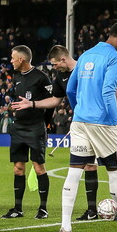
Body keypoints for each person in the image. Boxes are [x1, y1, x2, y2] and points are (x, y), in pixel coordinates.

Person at [57, 22, 117, 232]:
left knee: (74, 172)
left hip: (80, 121)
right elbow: (108, 91)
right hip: (102, 123)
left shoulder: (85, 56)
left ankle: (65, 228)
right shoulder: (116, 58)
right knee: (115, 172)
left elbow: (71, 89)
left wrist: (80, 109)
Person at [18, 45, 101, 221]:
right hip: (80, 124)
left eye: (55, 64)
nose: (54, 68)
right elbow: (55, 100)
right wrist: (32, 104)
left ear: (63, 59)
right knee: (86, 164)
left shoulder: (86, 69)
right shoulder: (61, 77)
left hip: (99, 122)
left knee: (108, 165)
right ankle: (92, 210)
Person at [1, 46, 54, 220]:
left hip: (35, 128)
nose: (11, 61)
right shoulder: (16, 77)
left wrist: (44, 124)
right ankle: (17, 208)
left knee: (39, 167)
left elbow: (52, 102)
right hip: (18, 128)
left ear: (21, 59)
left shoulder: (41, 77)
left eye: (12, 58)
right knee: (18, 168)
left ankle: (43, 208)